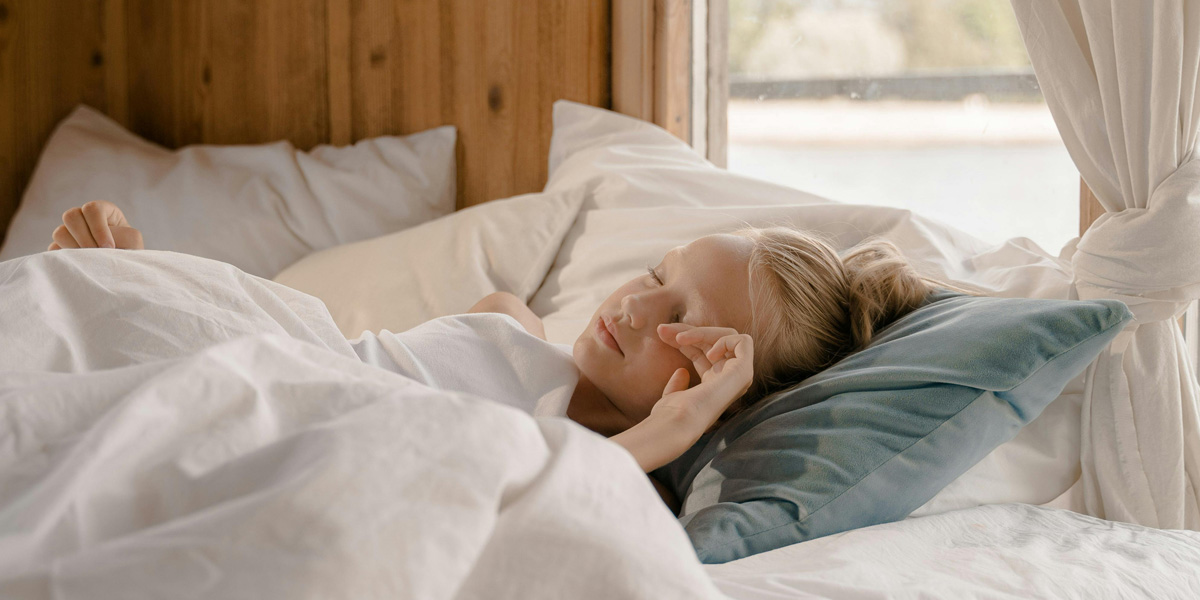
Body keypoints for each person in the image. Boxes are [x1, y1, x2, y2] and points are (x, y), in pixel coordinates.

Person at [48, 200, 957, 511]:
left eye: (679, 316)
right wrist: (144, 281)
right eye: (654, 274)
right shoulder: (510, 319)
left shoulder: (622, 479)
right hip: (262, 365)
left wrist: (672, 429)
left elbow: (500, 495)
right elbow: (317, 354)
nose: (634, 307)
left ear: (721, 384)